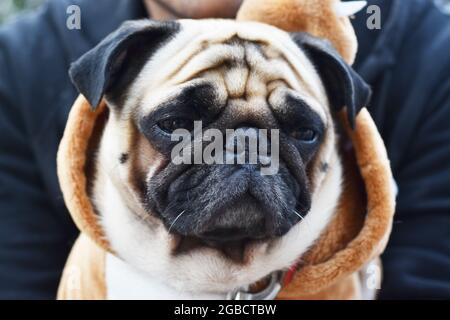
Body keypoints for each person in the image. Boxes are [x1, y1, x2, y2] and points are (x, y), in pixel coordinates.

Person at [0, 0, 449, 300]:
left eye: (297, 131)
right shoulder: (21, 62)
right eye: (176, 125)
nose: (244, 154)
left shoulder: (432, 54)